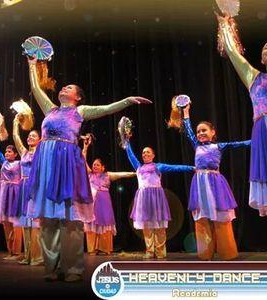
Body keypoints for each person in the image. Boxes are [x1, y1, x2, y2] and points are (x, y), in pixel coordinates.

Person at [26, 55, 152, 282]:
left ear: (77, 97)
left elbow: (106, 109)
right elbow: (35, 88)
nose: (64, 87)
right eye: (64, 86)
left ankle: (72, 268)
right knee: (48, 219)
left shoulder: (79, 111)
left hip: (66, 164)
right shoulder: (50, 109)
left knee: (70, 218)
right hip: (46, 164)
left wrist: (128, 100)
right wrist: (32, 64)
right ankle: (51, 268)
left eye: (70, 87)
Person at [181, 104, 250, 260]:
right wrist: (186, 112)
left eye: (204, 130)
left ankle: (227, 253)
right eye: (198, 131)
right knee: (202, 219)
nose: (200, 133)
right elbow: (188, 130)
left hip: (215, 184)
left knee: (221, 217)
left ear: (213, 132)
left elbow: (240, 144)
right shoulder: (196, 146)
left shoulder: (218, 146)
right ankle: (205, 253)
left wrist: (257, 140)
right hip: (199, 185)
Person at [217, 15, 267, 216]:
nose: (266, 49)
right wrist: (226, 26)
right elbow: (232, 51)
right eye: (264, 48)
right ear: (263, 58)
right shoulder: (254, 77)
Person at [121, 131, 194, 259]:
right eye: (143, 152)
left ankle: (160, 251)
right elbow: (130, 154)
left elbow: (175, 168)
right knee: (147, 226)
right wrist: (126, 140)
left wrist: (191, 168)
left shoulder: (158, 166)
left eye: (148, 152)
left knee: (159, 226)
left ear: (153, 155)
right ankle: (149, 251)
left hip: (156, 198)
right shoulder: (138, 167)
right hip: (143, 199)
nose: (145, 154)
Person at [82, 137, 135, 255]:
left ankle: (105, 248)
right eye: (94, 165)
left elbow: (121, 174)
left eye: (97, 165)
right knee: (92, 223)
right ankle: (92, 248)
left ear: (103, 167)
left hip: (104, 203)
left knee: (105, 222)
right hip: (92, 203)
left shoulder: (107, 175)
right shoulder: (89, 174)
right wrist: (85, 148)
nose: (95, 166)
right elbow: (82, 160)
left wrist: (134, 174)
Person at [12, 114, 43, 265]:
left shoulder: (41, 152)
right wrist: (15, 123)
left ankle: (37, 257)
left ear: (39, 139)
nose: (30, 137)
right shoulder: (24, 152)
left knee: (35, 223)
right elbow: (16, 137)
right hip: (23, 188)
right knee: (26, 223)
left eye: (33, 136)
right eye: (29, 135)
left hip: (35, 187)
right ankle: (28, 256)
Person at [0, 130, 23, 260]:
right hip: (4, 193)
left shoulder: (19, 163)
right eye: (6, 151)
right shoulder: (3, 162)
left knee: (16, 222)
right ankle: (10, 251)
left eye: (10, 151)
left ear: (16, 154)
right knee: (6, 223)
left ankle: (17, 252)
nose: (7, 153)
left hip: (14, 192)